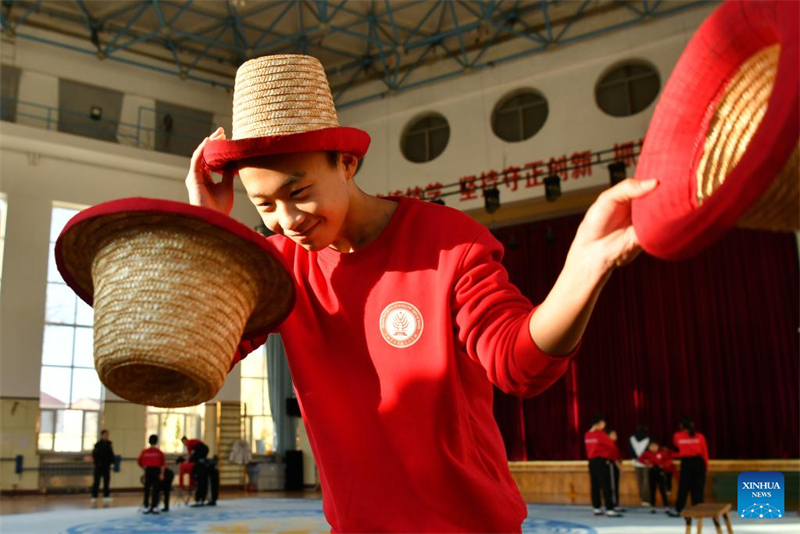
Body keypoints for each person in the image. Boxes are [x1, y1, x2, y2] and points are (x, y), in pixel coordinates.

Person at [187, 54, 658, 532]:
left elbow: (519, 366)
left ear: (346, 163)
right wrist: (208, 230)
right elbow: (195, 361)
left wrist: (583, 270)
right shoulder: (278, 268)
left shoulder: (447, 242)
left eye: (300, 192)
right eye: (265, 205)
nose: (287, 221)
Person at [668, 417, 709, 517]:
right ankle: (698, 511)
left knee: (683, 487)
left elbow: (677, 447)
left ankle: (679, 509)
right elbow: (705, 453)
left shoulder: (677, 436)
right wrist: (706, 467)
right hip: (699, 462)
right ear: (692, 425)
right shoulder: (700, 436)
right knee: (698, 487)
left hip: (686, 462)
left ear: (681, 426)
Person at [584, 415, 622, 517]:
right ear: (600, 423)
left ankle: (596, 508)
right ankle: (609, 509)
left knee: (595, 485)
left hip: (592, 462)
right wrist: (616, 460)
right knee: (606, 485)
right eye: (603, 423)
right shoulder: (600, 434)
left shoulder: (587, 434)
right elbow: (612, 447)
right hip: (602, 462)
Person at [638, 440, 676, 513]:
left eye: (655, 446)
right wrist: (647, 463)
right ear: (649, 447)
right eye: (652, 446)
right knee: (652, 489)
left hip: (660, 471)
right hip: (652, 471)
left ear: (658, 446)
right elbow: (640, 459)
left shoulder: (662, 453)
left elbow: (669, 460)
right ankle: (653, 506)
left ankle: (666, 506)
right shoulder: (647, 453)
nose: (654, 448)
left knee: (662, 489)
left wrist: (664, 465)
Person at [182, 436, 218, 506]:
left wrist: (187, 461)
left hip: (200, 465)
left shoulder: (189, 443)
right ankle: (209, 499)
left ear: (185, 441)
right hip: (206, 449)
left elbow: (189, 455)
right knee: (206, 480)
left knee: (193, 460)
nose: (184, 444)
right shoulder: (193, 442)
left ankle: (200, 499)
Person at [137, 434, 165, 514]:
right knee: (155, 489)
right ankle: (154, 506)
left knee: (147, 489)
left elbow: (139, 462)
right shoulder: (159, 452)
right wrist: (162, 474)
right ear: (156, 442)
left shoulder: (144, 452)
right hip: (156, 471)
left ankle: (146, 506)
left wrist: (144, 469)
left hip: (148, 470)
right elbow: (162, 464)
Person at [90, 429, 114, 507]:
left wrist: (112, 462)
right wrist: (98, 463)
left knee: (106, 481)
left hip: (106, 466)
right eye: (105, 435)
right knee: (96, 482)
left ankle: (106, 496)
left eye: (107, 435)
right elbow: (94, 455)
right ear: (102, 435)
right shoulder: (97, 445)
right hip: (99, 466)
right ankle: (94, 496)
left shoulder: (109, 444)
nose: (107, 436)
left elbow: (111, 454)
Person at [629, 422, 651, 506]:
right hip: (645, 462)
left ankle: (643, 499)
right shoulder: (648, 438)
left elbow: (630, 450)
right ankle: (646, 500)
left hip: (636, 461)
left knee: (640, 481)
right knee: (646, 481)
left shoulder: (632, 437)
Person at [607, 429, 624, 512]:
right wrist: (620, 468)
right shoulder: (610, 445)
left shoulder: (614, 445)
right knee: (613, 486)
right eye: (613, 434)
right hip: (612, 467)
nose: (615, 436)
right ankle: (614, 504)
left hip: (615, 466)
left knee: (615, 485)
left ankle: (615, 503)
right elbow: (614, 459)